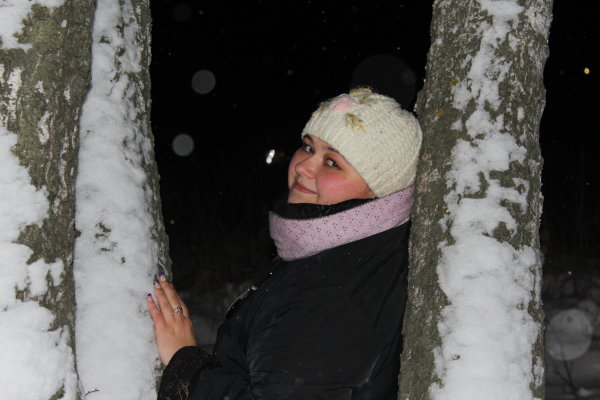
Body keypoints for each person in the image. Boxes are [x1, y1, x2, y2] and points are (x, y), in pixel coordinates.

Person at [147, 87, 423, 400]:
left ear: (380, 187)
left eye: (332, 162)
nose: (303, 166)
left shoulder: (331, 295)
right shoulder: (349, 253)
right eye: (308, 146)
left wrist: (186, 365)